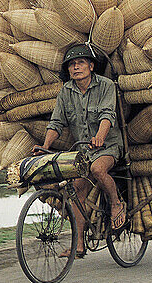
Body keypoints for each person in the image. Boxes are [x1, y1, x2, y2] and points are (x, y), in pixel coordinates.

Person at [32, 42, 126, 257]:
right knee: (76, 190)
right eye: (72, 65)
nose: (76, 68)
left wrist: (100, 137)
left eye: (80, 63)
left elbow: (107, 115)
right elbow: (56, 122)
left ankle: (116, 202)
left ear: (91, 66)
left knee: (98, 170)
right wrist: (45, 146)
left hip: (108, 146)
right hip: (83, 151)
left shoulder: (105, 86)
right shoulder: (66, 91)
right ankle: (79, 245)